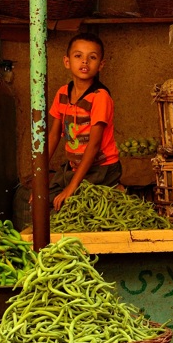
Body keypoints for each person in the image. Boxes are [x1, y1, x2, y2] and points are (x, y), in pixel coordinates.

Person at [47, 32, 121, 210]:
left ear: (100, 65)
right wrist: (38, 176)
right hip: (75, 165)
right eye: (78, 56)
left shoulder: (99, 97)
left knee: (75, 204)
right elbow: (53, 136)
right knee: (46, 197)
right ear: (67, 61)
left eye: (92, 57)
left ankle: (116, 188)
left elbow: (94, 145)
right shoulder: (63, 93)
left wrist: (71, 188)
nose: (85, 62)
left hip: (102, 168)